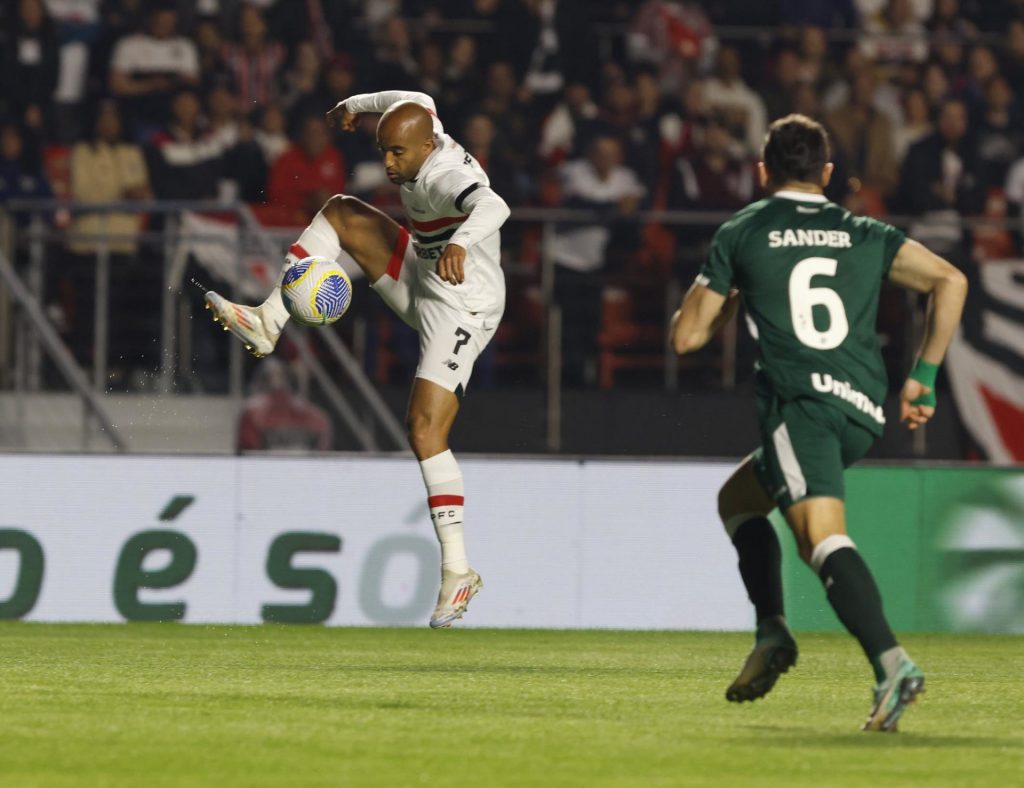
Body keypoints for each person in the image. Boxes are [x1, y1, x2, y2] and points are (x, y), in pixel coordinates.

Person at [669, 115, 968, 731]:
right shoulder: (862, 230)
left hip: (801, 405)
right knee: (739, 501)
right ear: (827, 174)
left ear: (762, 171)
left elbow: (686, 337)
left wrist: (733, 296)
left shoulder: (745, 230)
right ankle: (773, 631)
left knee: (820, 539)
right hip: (861, 409)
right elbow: (951, 280)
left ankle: (892, 665)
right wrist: (925, 377)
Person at [205, 90, 510, 629]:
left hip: (465, 304)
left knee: (423, 429)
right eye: (382, 151)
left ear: (426, 145)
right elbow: (414, 96)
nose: (387, 164)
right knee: (341, 211)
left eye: (396, 153)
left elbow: (493, 204)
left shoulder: (445, 177)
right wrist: (355, 105)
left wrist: (462, 241)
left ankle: (457, 570)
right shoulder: (424, 120)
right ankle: (270, 320)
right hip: (426, 272)